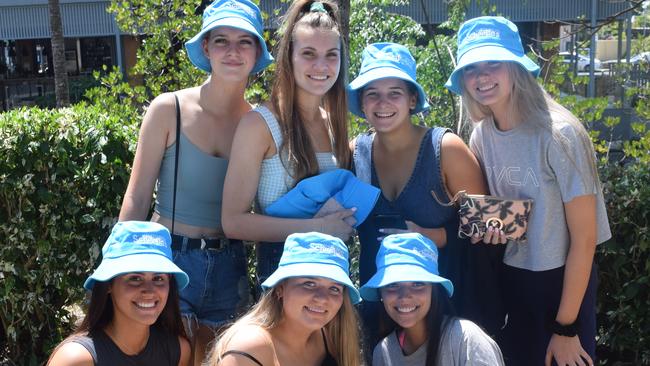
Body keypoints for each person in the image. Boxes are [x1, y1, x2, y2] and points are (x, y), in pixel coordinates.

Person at [445, 16, 611, 366]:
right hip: (511, 284)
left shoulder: (559, 133)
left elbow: (584, 239)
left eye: (494, 62)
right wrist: (485, 228)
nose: (482, 76)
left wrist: (566, 327)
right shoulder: (481, 135)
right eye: (472, 68)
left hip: (561, 286)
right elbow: (502, 218)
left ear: (517, 67)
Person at [118, 0, 273, 363]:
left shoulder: (261, 122)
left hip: (231, 265)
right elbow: (137, 198)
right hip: (167, 261)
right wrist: (119, 271)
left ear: (257, 51)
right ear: (205, 47)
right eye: (221, 40)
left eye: (244, 41)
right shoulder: (168, 108)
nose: (232, 51)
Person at [347, 42, 503, 354]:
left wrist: (436, 236)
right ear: (362, 102)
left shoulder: (446, 150)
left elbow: (491, 234)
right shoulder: (355, 154)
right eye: (372, 93)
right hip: (379, 313)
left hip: (449, 311)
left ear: (412, 99)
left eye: (395, 92)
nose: (383, 102)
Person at [222, 0, 354, 286]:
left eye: (331, 55)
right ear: (289, 57)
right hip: (281, 279)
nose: (321, 66)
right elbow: (233, 222)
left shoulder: (334, 123)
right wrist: (319, 228)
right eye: (309, 53)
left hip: (333, 275)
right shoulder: (259, 125)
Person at [205, 232, 362, 366]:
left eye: (334, 288)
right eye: (309, 283)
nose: (322, 298)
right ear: (280, 288)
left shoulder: (326, 337)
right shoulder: (249, 348)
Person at [47, 221, 191, 366]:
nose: (149, 291)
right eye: (135, 278)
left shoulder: (179, 351)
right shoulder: (75, 359)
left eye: (158, 278)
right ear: (108, 284)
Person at [360, 233, 505, 366]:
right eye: (392, 285)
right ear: (381, 294)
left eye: (417, 284)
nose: (404, 295)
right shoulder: (382, 352)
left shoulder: (466, 340)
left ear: (433, 290)